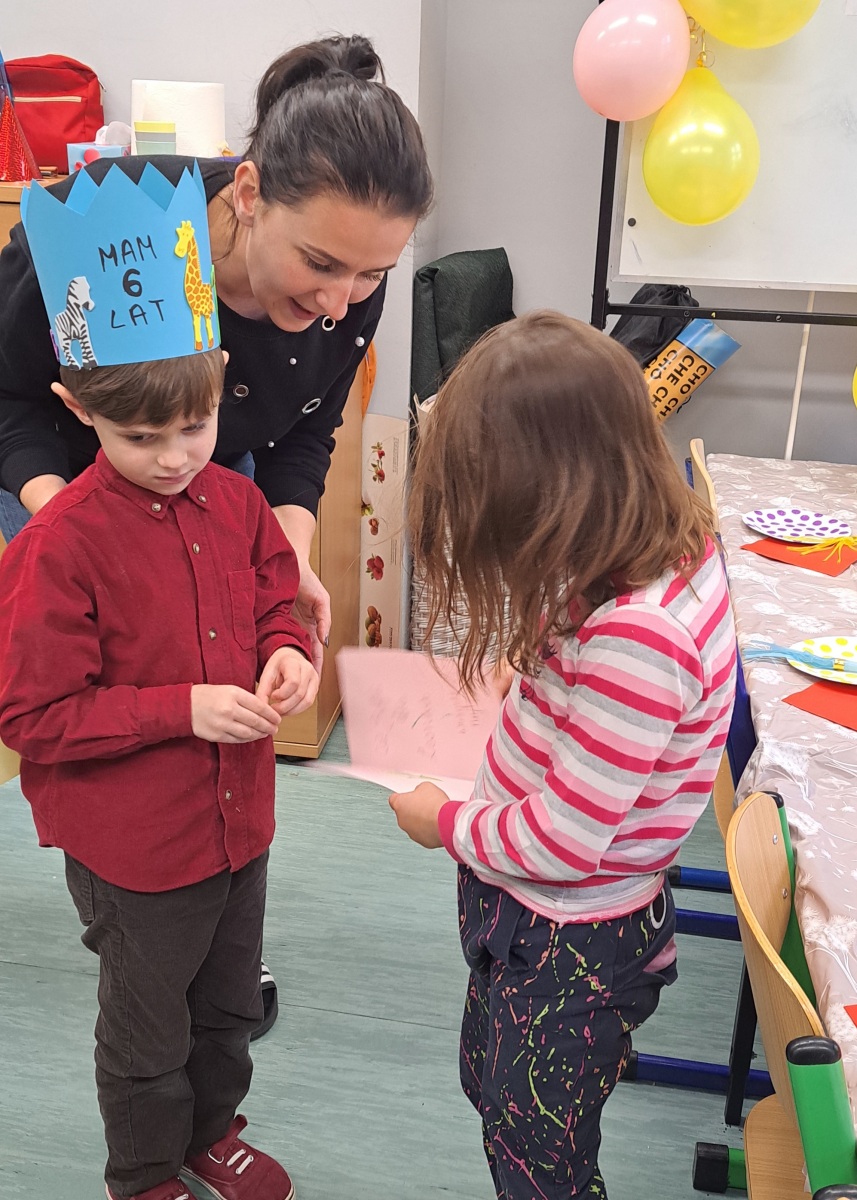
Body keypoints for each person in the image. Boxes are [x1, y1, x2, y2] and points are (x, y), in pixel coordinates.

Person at [0, 32, 433, 1031]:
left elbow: (307, 427)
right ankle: (135, 916)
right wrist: (71, 527)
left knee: (219, 675)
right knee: (115, 686)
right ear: (247, 194)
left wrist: (284, 552)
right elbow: (11, 397)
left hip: (209, 474)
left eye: (370, 276)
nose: (338, 302)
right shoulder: (107, 227)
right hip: (60, 476)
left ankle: (213, 919)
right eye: (319, 264)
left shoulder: (346, 285)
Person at [0, 163, 318, 1200]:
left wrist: (287, 651)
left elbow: (275, 599)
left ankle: (210, 1133)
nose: (176, 456)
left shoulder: (238, 504)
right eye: (141, 438)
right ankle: (142, 1174)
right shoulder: (59, 546)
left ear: (219, 383)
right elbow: (33, 715)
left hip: (239, 823)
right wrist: (180, 710)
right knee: (147, 1030)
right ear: (75, 407)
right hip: (135, 850)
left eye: (195, 426)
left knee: (227, 1008)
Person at [389, 311, 737, 1200]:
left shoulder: (639, 639)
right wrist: (547, 665)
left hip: (566, 935)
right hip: (543, 922)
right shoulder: (655, 547)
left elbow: (561, 841)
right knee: (499, 1097)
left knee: (537, 1159)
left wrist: (443, 823)